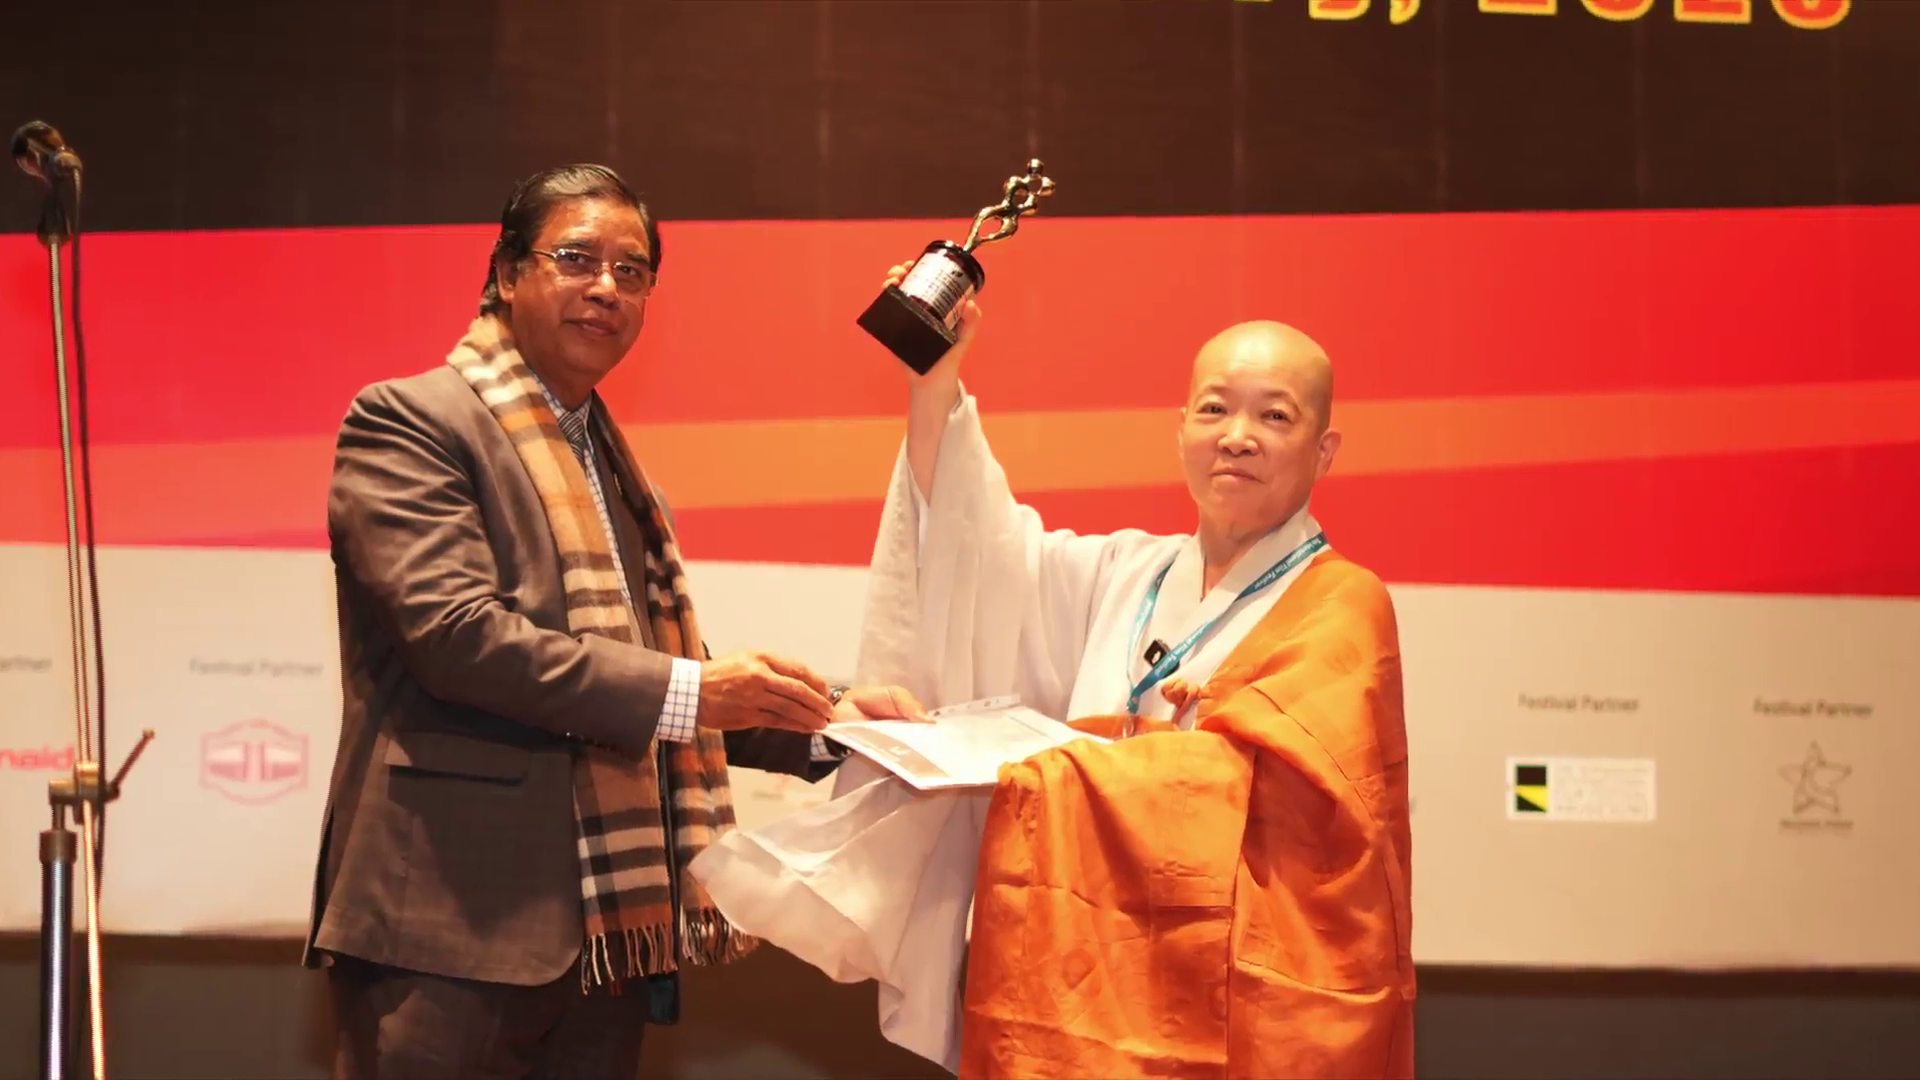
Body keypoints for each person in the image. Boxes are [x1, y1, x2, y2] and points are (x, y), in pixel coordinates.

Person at [690, 259, 1414, 1078]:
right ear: (1180, 428)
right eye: (1214, 409)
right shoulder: (1126, 574)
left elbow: (1302, 818)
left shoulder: (1343, 605)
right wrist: (935, 381)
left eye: (1274, 416)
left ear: (1324, 450)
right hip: (1084, 973)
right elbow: (975, 553)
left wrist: (1065, 765)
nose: (1237, 435)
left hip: (1234, 998)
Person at [301, 164, 924, 1080]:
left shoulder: (620, 478)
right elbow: (457, 639)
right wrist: (697, 691)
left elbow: (663, 675)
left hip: (606, 944)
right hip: (447, 924)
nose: (606, 287)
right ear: (507, 272)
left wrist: (834, 725)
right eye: (577, 258)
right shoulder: (413, 422)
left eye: (632, 272)